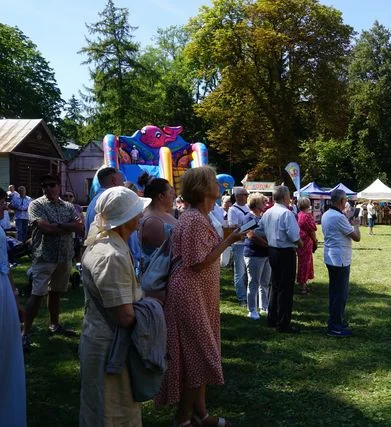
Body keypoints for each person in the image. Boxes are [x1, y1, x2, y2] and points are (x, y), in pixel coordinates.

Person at [156, 166, 242, 426]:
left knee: (199, 354)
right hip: (189, 292)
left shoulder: (199, 216)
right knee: (201, 356)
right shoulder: (193, 218)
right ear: (203, 188)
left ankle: (200, 415)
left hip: (200, 293)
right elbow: (196, 262)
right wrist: (229, 241)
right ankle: (182, 420)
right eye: (214, 180)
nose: (218, 184)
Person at [79, 187, 151, 426]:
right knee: (111, 413)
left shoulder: (112, 244)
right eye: (137, 211)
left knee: (108, 409)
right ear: (125, 218)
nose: (141, 215)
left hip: (105, 341)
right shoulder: (111, 255)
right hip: (110, 348)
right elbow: (124, 316)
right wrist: (152, 312)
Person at [22, 174, 84, 351]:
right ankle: (25, 332)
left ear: (59, 186)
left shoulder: (68, 206)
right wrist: (66, 225)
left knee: (56, 292)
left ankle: (54, 324)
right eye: (45, 186)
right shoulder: (36, 205)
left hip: (64, 256)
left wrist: (57, 226)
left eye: (52, 185)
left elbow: (79, 227)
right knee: (37, 293)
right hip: (44, 256)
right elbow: (44, 228)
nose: (49, 189)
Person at [257, 185, 302, 333]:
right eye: (289, 196)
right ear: (284, 197)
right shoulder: (286, 213)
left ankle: (272, 318)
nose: (290, 199)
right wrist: (300, 243)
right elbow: (294, 236)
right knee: (286, 289)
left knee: (275, 285)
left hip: (273, 251)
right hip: (285, 252)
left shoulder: (268, 212)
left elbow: (260, 230)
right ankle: (283, 323)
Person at [0, 187, 26, 426]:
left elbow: (5, 268)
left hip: (3, 292)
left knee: (7, 345)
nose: (4, 207)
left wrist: (15, 299)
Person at [322, 189, 361, 337]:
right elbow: (356, 237)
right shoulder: (339, 217)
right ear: (341, 201)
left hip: (331, 257)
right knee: (340, 295)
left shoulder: (327, 214)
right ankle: (335, 327)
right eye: (345, 200)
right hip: (340, 260)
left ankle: (335, 321)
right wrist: (356, 224)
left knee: (334, 293)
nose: (347, 203)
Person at [136, 173, 177, 282]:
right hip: (159, 282)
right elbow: (174, 250)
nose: (174, 196)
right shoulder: (152, 222)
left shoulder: (164, 215)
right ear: (161, 196)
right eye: (170, 193)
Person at [244, 193, 271, 320]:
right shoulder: (248, 218)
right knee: (253, 282)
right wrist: (268, 245)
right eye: (262, 202)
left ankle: (264, 306)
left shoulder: (262, 218)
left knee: (265, 282)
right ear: (256, 204)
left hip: (265, 254)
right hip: (254, 254)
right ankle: (252, 309)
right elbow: (250, 235)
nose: (265, 205)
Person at [85, 167, 124, 237]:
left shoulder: (94, 201)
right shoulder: (114, 201)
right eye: (122, 180)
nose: (123, 184)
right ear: (114, 180)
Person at [228, 187, 250, 306]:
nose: (247, 196)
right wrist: (247, 226)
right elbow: (233, 227)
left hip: (249, 242)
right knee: (240, 272)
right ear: (238, 196)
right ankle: (242, 298)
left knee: (249, 272)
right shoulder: (232, 209)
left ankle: (250, 296)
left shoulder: (247, 207)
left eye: (247, 194)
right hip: (239, 244)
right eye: (245, 194)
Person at [296, 197, 317, 295]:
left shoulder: (298, 215)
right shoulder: (307, 216)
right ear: (308, 205)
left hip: (299, 241)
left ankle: (302, 283)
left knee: (301, 263)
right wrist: (315, 241)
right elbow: (312, 230)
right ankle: (303, 286)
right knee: (306, 263)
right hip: (306, 242)